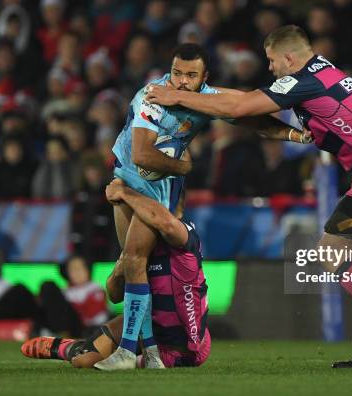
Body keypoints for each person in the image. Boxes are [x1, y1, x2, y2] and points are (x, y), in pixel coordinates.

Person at [146, 25, 352, 369]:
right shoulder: (323, 74)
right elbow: (240, 101)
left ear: (289, 57)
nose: (270, 68)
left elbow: (243, 105)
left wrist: (177, 96)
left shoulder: (304, 79)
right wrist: (205, 94)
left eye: (272, 61)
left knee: (331, 250)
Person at [103, 42, 310, 370]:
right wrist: (185, 167)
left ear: (204, 78)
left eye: (190, 75)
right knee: (133, 266)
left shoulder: (202, 99)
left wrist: (294, 135)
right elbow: (142, 155)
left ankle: (128, 352)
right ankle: (153, 353)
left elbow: (249, 118)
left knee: (135, 258)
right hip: (126, 179)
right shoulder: (153, 97)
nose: (181, 81)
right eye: (176, 73)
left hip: (158, 187)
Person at [21, 179, 210, 369]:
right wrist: (120, 269)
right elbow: (114, 294)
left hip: (185, 346)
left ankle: (78, 346)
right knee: (84, 359)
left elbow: (166, 223)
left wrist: (124, 193)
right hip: (149, 328)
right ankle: (68, 347)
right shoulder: (140, 245)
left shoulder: (185, 236)